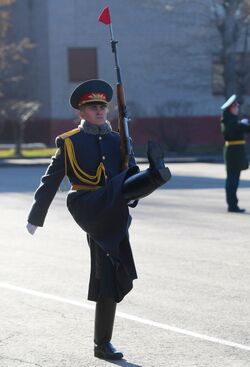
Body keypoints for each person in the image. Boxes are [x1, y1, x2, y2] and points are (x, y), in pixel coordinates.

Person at [26, 79, 171, 360]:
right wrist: (36, 216)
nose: (100, 110)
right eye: (93, 107)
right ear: (82, 112)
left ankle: (154, 176)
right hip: (88, 205)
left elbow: (128, 177)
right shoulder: (70, 142)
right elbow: (50, 181)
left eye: (103, 106)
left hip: (114, 207)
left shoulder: (118, 140)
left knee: (112, 269)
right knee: (108, 263)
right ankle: (155, 177)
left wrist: (134, 187)